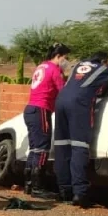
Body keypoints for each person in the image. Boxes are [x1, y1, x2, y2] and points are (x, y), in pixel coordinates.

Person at [53, 52, 108, 208]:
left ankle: (64, 191)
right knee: (79, 147)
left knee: (62, 147)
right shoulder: (103, 70)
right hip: (79, 103)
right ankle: (80, 194)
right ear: (104, 61)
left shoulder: (77, 67)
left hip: (61, 101)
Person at [23, 42, 70, 199]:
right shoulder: (54, 70)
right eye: (66, 58)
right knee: (43, 148)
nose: (67, 61)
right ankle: (38, 186)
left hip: (30, 109)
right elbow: (63, 92)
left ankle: (29, 184)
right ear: (58, 56)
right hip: (41, 110)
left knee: (34, 148)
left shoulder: (41, 66)